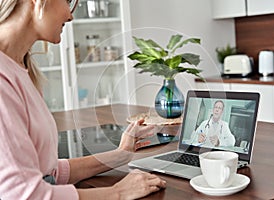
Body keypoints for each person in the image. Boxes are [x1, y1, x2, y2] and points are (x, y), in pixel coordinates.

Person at [0, 0, 166, 199]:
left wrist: (122, 153)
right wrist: (118, 193)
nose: (70, 15)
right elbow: (22, 194)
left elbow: (49, 172)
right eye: (67, 1)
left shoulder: (19, 68)